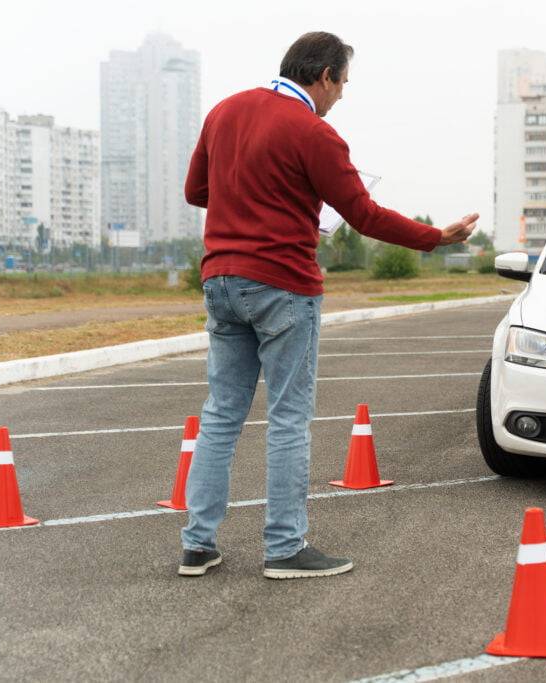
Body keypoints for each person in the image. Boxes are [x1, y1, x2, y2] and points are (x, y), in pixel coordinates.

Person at [178, 31, 477, 579]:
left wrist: (252, 198)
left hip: (220, 280)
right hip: (282, 285)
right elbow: (364, 215)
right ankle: (284, 548)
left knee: (221, 415)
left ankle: (197, 545)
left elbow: (196, 192)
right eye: (342, 84)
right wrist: (436, 237)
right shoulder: (314, 132)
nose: (341, 96)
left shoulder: (224, 111)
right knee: (288, 419)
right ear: (324, 76)